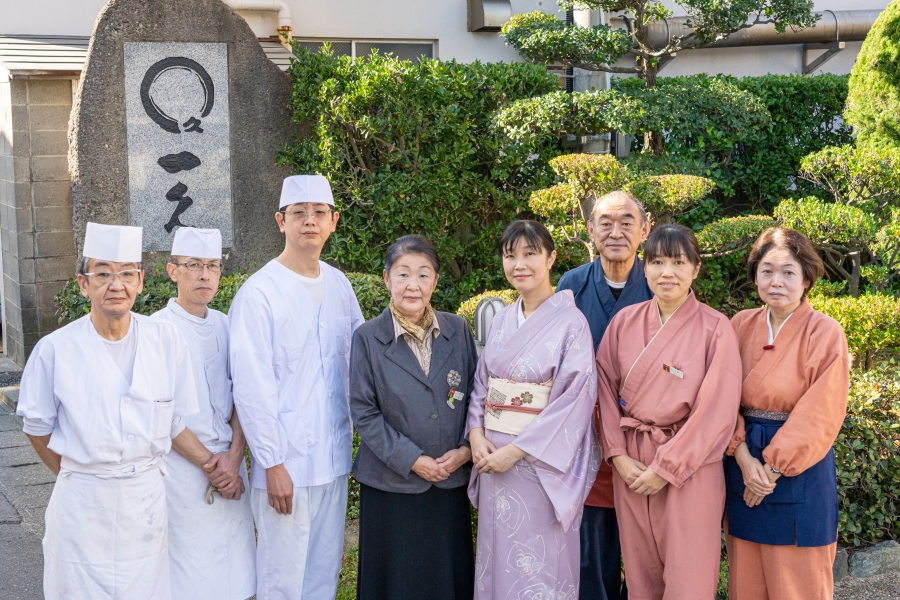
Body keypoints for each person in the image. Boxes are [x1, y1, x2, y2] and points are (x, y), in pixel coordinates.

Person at [17, 223, 199, 599]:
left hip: (145, 503)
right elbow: (37, 428)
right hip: (82, 505)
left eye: (127, 273)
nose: (116, 285)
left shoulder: (166, 341)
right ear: (84, 284)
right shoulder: (55, 350)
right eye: (102, 273)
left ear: (141, 281)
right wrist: (85, 472)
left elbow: (176, 420)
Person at [229, 175, 364, 600]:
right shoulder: (259, 294)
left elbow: (362, 360)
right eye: (299, 213)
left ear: (334, 221)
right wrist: (272, 463)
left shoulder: (340, 286)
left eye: (319, 213)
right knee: (282, 580)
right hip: (285, 466)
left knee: (322, 575)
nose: (310, 221)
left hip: (333, 458)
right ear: (280, 221)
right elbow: (251, 387)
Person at [596, 224, 742, 600]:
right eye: (657, 262)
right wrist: (617, 454)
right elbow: (603, 391)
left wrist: (668, 468)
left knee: (689, 575)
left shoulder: (715, 328)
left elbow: (717, 411)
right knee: (641, 573)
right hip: (631, 463)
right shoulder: (624, 322)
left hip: (688, 466)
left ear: (695, 269)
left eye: (678, 262)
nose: (667, 272)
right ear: (644, 269)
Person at [466, 220, 600, 600]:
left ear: (551, 257)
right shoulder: (503, 320)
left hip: (539, 467)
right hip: (492, 459)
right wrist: (476, 436)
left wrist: (515, 451)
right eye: (511, 256)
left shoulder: (572, 324)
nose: (519, 264)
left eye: (530, 254)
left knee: (539, 565)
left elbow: (573, 402)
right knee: (497, 560)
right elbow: (482, 385)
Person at [724, 227, 849, 600]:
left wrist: (773, 468)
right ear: (755, 275)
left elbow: (822, 411)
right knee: (746, 576)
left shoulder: (825, 332)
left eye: (788, 272)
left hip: (800, 468)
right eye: (766, 271)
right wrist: (745, 460)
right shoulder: (739, 326)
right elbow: (720, 398)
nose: (776, 281)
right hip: (742, 460)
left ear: (806, 278)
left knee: (799, 582)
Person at [350, 235, 477, 600]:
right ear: (387, 278)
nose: (413, 285)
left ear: (435, 281)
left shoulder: (457, 331)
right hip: (392, 483)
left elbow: (476, 396)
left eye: (423, 275)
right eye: (403, 274)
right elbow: (365, 412)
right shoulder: (368, 338)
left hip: (448, 479)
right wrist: (413, 460)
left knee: (446, 578)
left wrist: (467, 449)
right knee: (396, 581)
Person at [557, 190, 652, 600]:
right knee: (590, 548)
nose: (616, 232)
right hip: (586, 439)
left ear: (644, 230)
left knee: (647, 549)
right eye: (606, 223)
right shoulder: (571, 285)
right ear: (591, 231)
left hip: (646, 440)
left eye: (627, 222)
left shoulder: (661, 280)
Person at [151, 227, 256, 600]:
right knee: (191, 576)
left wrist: (234, 457)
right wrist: (214, 466)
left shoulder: (228, 324)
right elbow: (163, 416)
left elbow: (246, 395)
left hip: (231, 463)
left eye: (212, 265)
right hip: (185, 470)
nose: (204, 275)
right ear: (172, 271)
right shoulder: (157, 331)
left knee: (239, 572)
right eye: (193, 265)